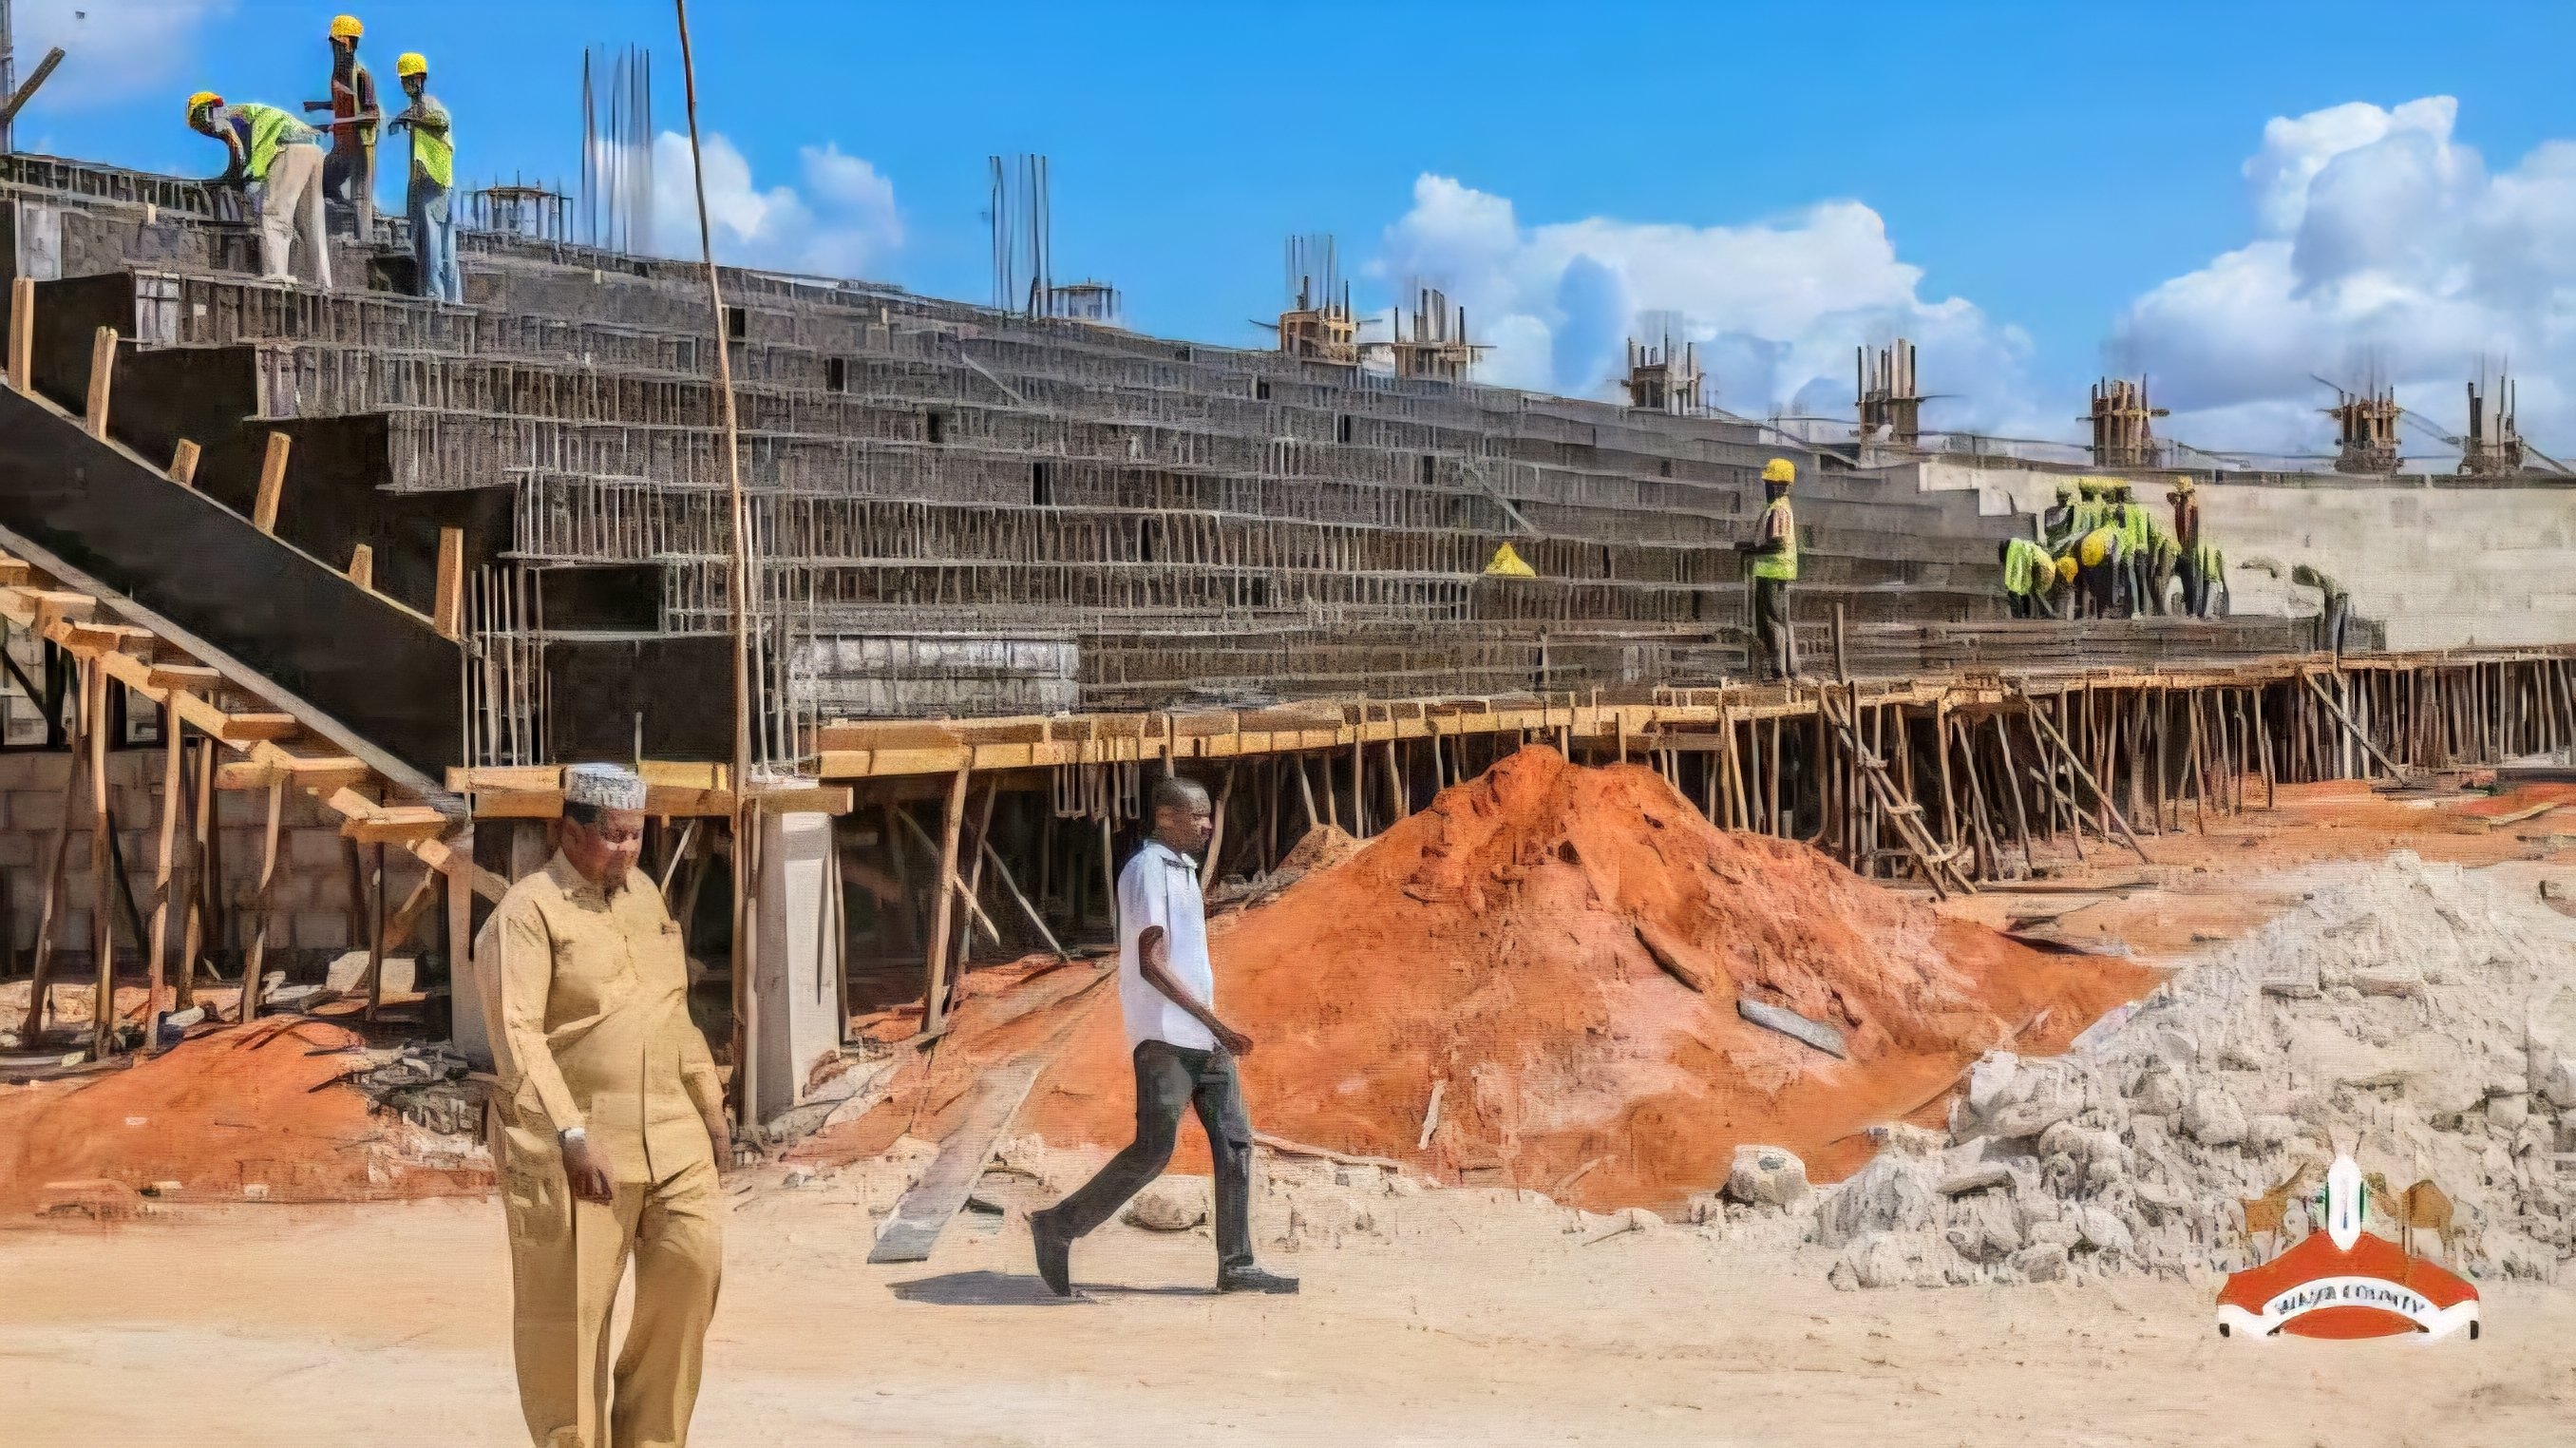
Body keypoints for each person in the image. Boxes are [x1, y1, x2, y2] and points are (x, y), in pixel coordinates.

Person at [483, 763, 729, 1448]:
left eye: (636, 836)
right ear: (570, 830)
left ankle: (650, 1438)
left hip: (671, 1131)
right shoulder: (528, 914)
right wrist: (569, 1133)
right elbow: (518, 1034)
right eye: (614, 836)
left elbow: (672, 1006)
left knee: (694, 1262)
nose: (626, 850)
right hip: (580, 1142)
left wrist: (709, 1103)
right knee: (571, 1320)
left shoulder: (646, 896)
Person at [1030, 774, 1297, 1299]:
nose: (1207, 823)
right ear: (1165, 818)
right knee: (1154, 1150)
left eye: (1207, 814)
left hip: (1203, 1037)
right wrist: (1215, 1022)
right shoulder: (1149, 871)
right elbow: (1150, 963)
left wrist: (1212, 1027)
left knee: (1235, 1142)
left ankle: (1237, 1265)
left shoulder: (1183, 871)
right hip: (1166, 1040)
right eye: (1195, 815)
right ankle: (1058, 1227)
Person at [188, 91, 331, 289]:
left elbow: (246, 152)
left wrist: (254, 177)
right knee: (312, 220)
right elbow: (238, 159)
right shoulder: (244, 114)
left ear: (204, 112)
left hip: (287, 148)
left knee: (274, 213)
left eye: (198, 125)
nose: (203, 131)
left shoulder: (219, 116)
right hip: (312, 149)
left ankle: (277, 274)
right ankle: (323, 281)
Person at [387, 52, 460, 303]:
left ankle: (435, 296)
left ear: (417, 79)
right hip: (437, 182)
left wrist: (406, 117)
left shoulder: (428, 103)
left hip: (434, 182)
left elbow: (442, 121)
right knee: (443, 245)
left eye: (407, 80)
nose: (405, 85)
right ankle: (450, 298)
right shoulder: (419, 107)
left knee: (432, 244)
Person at [306, 14, 380, 238]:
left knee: (360, 197)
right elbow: (346, 103)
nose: (337, 51)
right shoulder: (337, 75)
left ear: (351, 45)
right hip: (342, 145)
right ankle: (337, 221)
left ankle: (363, 242)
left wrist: (335, 124)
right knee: (322, 180)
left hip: (360, 148)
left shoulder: (361, 75)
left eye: (340, 45)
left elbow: (372, 114)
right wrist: (319, 105)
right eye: (334, 46)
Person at [1742, 456, 1800, 681]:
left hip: (1773, 572)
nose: (1766, 488)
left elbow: (1778, 542)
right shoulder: (1779, 508)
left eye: (1768, 484)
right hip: (1778, 572)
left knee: (1772, 621)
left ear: (1777, 485)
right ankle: (1790, 668)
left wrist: (1752, 550)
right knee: (1782, 621)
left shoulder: (1779, 509)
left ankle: (1780, 669)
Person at [1998, 537, 2061, 619]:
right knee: (2033, 591)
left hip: (2043, 568)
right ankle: (2045, 613)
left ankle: (2050, 613)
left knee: (2036, 592)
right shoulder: (2021, 546)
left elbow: (2021, 569)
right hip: (2045, 565)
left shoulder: (2017, 551)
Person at [2073, 524, 2126, 619]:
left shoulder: (2094, 534)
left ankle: (2092, 612)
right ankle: (2101, 612)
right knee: (2102, 588)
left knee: (2093, 588)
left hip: (2087, 562)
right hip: (2100, 563)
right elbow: (2108, 552)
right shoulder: (2111, 535)